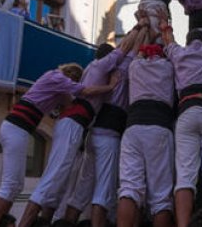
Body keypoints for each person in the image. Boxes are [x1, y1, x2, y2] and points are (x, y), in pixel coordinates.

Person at [18, 44, 127, 227]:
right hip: (74, 125)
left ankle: (43, 221)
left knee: (58, 178)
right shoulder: (95, 71)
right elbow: (86, 91)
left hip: (72, 126)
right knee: (54, 176)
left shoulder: (76, 80)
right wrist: (110, 86)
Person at [0, 63, 102, 227]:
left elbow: (69, 102)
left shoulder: (55, 82)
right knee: (10, 185)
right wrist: (110, 86)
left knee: (15, 185)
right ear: (72, 78)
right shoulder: (57, 77)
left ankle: (0, 223)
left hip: (17, 128)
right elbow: (84, 91)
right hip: (17, 128)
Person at [61, 30, 144, 227]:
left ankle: (66, 223)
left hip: (93, 134)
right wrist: (143, 29)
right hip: (110, 136)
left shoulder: (96, 72)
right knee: (103, 192)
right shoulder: (124, 67)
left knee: (82, 190)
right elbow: (135, 47)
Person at [163, 25, 202, 227]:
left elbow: (168, 39)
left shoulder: (178, 52)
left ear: (188, 41)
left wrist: (165, 24)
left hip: (188, 110)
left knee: (185, 176)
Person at [116, 29, 176, 227]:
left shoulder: (135, 66)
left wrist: (145, 31)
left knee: (129, 188)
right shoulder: (169, 67)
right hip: (159, 127)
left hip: (133, 128)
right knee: (161, 195)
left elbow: (134, 50)